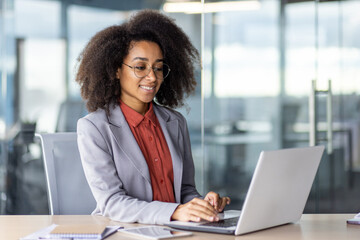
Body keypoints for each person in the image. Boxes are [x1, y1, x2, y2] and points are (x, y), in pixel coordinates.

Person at [75, 9, 230, 224]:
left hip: (176, 231)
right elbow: (112, 203)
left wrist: (202, 204)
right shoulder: (94, 127)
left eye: (158, 68)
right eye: (140, 67)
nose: (152, 77)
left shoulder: (175, 122)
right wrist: (175, 212)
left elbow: (184, 190)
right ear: (116, 70)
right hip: (125, 232)